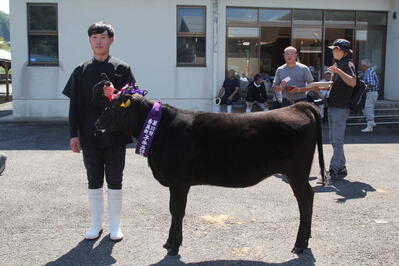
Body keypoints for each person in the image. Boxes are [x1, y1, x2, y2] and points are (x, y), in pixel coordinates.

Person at [63, 21, 135, 241]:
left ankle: (115, 226)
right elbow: (73, 105)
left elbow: (134, 101)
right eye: (94, 37)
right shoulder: (80, 70)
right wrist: (73, 134)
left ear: (111, 40)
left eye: (103, 37)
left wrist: (115, 94)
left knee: (115, 179)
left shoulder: (122, 69)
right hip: (89, 136)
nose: (98, 41)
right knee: (93, 179)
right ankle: (96, 224)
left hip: (115, 136)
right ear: (90, 40)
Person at [326, 39, 357, 181]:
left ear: (340, 50)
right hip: (334, 105)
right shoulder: (339, 64)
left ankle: (335, 168)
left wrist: (338, 71)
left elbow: (352, 82)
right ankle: (342, 165)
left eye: (334, 49)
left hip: (340, 107)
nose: (332, 51)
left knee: (336, 139)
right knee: (334, 139)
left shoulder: (347, 64)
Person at [360, 59, 380, 132]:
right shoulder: (367, 72)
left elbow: (371, 83)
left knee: (368, 108)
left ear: (364, 66)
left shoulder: (369, 72)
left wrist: (362, 86)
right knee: (367, 108)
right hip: (371, 93)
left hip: (370, 93)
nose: (360, 67)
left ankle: (370, 126)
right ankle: (372, 123)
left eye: (361, 66)